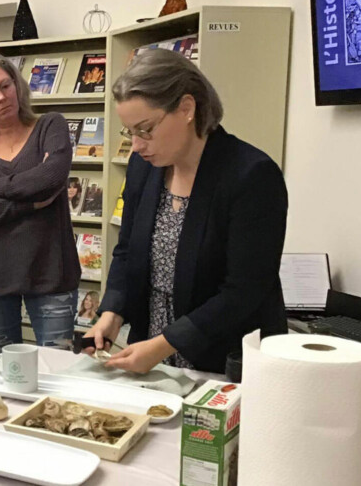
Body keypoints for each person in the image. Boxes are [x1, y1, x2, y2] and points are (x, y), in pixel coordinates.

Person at [84, 49, 288, 374]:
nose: (136, 145)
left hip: (224, 360)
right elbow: (126, 252)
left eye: (145, 129)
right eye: (130, 132)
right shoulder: (143, 166)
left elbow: (244, 290)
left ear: (186, 108)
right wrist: (111, 314)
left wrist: (166, 343)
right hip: (152, 355)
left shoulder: (251, 175)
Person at [0, 51, 80, 355]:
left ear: (18, 86)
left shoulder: (51, 126)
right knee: (8, 375)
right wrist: (28, 204)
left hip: (51, 273)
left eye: (5, 86)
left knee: (57, 369)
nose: (0, 97)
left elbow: (51, 178)